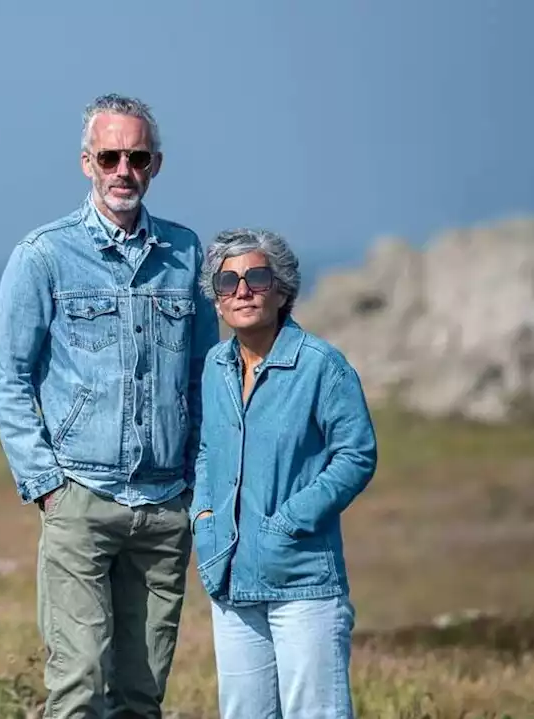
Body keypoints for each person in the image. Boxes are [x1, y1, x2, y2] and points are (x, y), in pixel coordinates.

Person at [0, 93, 219, 718]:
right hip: (79, 498)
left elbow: (202, 377)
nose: (124, 170)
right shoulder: (43, 255)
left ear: (156, 164)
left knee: (141, 699)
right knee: (79, 685)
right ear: (86, 162)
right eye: (110, 156)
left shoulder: (185, 254)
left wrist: (194, 484)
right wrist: (46, 487)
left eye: (137, 157)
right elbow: (6, 375)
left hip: (164, 507)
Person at [189, 228, 379, 718]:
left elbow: (356, 455)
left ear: (282, 289)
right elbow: (207, 449)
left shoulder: (322, 366)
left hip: (303, 583)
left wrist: (288, 522)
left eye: (256, 277)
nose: (243, 291)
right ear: (216, 300)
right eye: (227, 283)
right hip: (229, 579)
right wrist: (205, 518)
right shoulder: (214, 366)